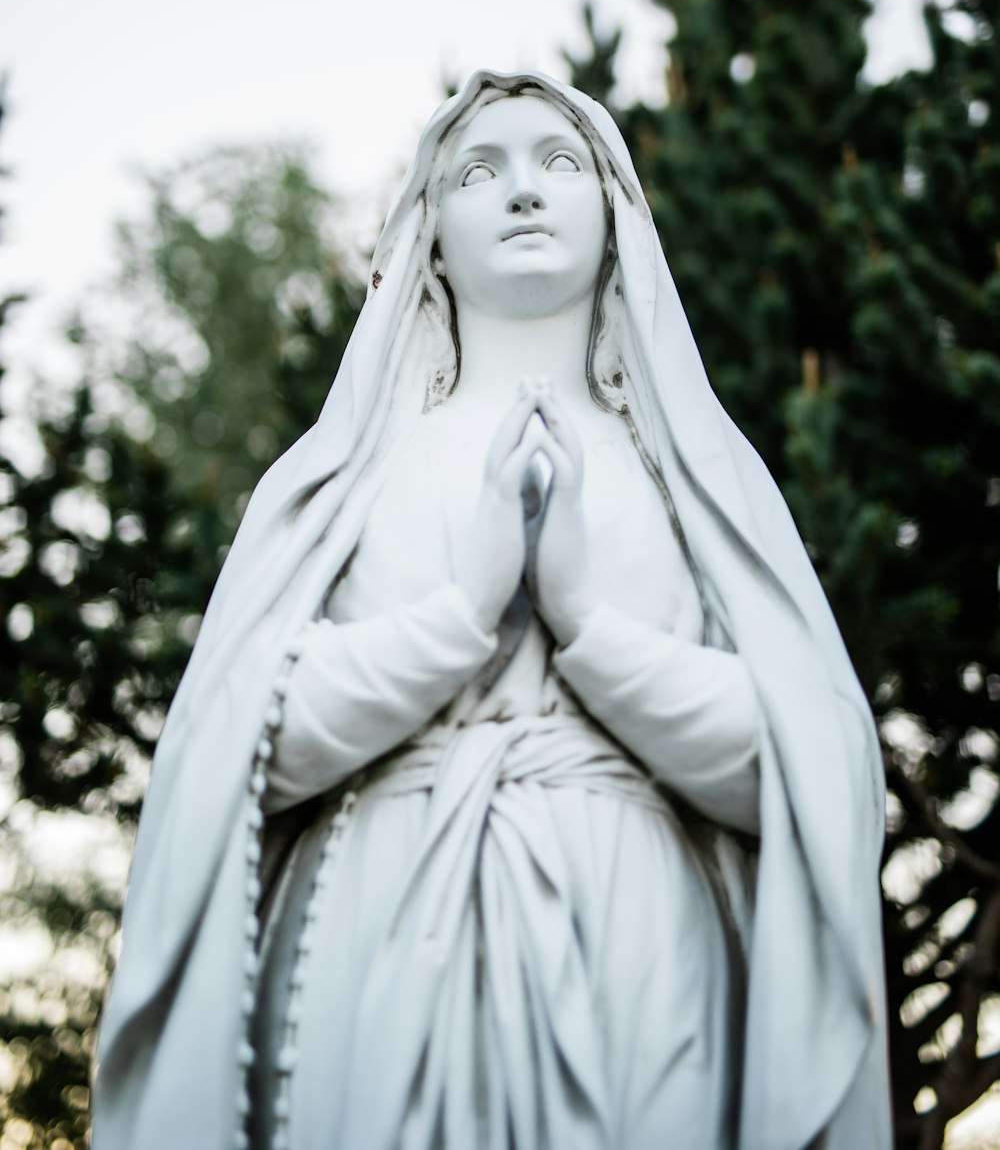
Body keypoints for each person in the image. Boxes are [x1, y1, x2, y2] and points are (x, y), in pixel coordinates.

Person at [92, 70, 892, 1150]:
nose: (523, 191)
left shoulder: (694, 481)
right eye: (481, 170)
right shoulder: (342, 479)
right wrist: (458, 616)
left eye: (559, 163)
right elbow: (233, 747)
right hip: (375, 942)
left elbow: (806, 766)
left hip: (639, 952)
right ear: (428, 230)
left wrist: (591, 627)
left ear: (614, 217)